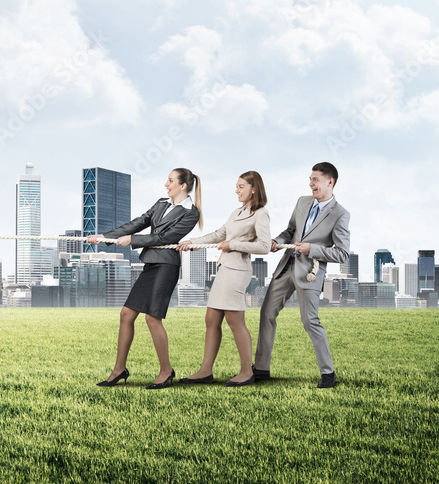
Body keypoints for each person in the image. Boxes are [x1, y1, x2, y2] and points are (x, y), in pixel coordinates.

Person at [86, 168, 203, 389]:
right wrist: (106, 237)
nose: (165, 184)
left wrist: (132, 240)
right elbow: (138, 222)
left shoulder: (191, 213)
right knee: (126, 314)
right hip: (151, 264)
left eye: (170, 181)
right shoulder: (161, 204)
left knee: (152, 318)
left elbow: (166, 237)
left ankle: (166, 370)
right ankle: (119, 369)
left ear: (183, 185)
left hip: (166, 266)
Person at [253, 162, 350, 388]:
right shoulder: (302, 202)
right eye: (310, 179)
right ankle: (261, 369)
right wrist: (279, 241)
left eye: (315, 179)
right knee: (266, 313)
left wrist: (311, 249)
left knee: (309, 321)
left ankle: (328, 373)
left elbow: (342, 253)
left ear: (330, 182)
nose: (310, 183)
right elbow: (290, 230)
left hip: (310, 273)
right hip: (286, 266)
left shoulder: (340, 215)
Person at [177, 171, 271, 387]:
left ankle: (247, 372)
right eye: (236, 186)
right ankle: (205, 371)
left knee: (234, 320)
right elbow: (219, 234)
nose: (236, 190)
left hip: (238, 270)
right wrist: (192, 242)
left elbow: (264, 247)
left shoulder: (260, 214)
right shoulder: (236, 212)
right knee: (211, 319)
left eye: (240, 186)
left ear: (253, 188)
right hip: (225, 268)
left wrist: (233, 244)